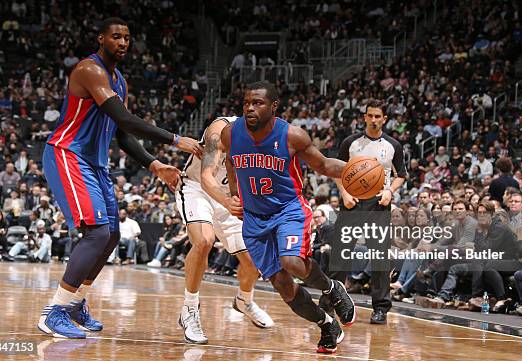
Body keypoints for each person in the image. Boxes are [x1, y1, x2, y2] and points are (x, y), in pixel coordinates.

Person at [37, 17, 202, 339]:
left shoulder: (119, 81)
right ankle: (53, 312)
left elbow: (122, 132)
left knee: (111, 235)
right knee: (97, 233)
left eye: (127, 37)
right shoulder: (90, 70)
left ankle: (75, 303)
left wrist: (155, 165)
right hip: (67, 154)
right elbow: (124, 117)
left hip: (95, 163)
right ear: (101, 39)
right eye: (116, 37)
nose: (123, 43)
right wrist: (174, 139)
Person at [221, 81, 355, 354]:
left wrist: (359, 170)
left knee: (292, 261)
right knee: (283, 286)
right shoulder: (230, 134)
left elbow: (324, 164)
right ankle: (326, 323)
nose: (250, 108)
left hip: (288, 210)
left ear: (273, 107)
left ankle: (331, 288)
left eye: (257, 103)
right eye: (246, 103)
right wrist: (234, 194)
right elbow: (231, 162)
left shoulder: (292, 136)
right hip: (254, 219)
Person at [175, 115, 274, 344]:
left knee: (253, 259)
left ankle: (244, 300)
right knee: (204, 241)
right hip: (197, 189)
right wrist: (227, 201)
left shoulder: (269, 140)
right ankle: (189, 309)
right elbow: (206, 176)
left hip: (230, 197)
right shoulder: (220, 130)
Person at [333, 100, 407, 325]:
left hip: (378, 204)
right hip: (352, 202)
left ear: (384, 119)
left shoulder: (394, 144)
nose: (374, 120)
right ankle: (331, 299)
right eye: (370, 116)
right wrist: (344, 193)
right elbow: (337, 170)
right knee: (341, 254)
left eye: (378, 116)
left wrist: (390, 191)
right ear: (364, 117)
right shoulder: (351, 142)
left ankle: (381, 308)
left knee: (379, 258)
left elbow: (401, 174)